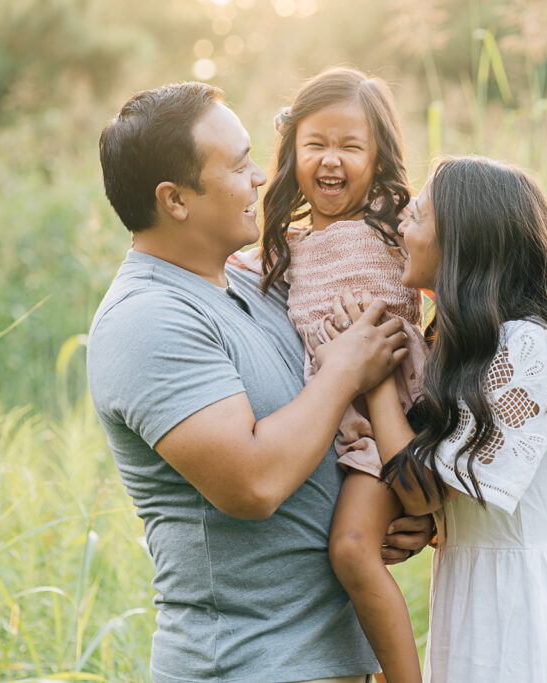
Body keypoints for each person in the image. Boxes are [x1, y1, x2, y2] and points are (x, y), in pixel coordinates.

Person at [235, 67, 547, 683]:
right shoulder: (290, 246)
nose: (331, 161)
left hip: (400, 413)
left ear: (379, 158)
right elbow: (225, 257)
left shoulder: (393, 222)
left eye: (351, 147)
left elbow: (506, 262)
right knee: (360, 544)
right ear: (291, 149)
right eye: (315, 144)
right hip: (350, 423)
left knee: (352, 548)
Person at [87, 81, 432, 683]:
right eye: (239, 163)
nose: (261, 178)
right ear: (175, 199)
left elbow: (327, 430)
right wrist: (351, 367)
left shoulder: (260, 286)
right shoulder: (148, 319)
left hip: (335, 660)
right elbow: (254, 483)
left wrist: (401, 505)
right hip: (247, 665)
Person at [326, 156, 547, 682]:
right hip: (478, 611)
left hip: (526, 628)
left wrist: (373, 380)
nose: (402, 225)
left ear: (462, 245)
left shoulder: (525, 346)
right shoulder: (472, 344)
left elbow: (424, 489)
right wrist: (433, 527)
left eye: (417, 217)